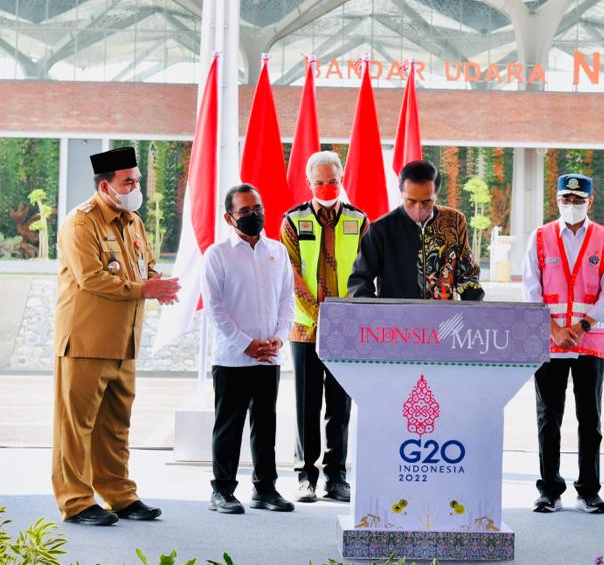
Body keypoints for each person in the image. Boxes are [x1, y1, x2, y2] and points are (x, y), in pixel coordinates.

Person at [52, 146, 181, 525]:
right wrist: (145, 290)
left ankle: (119, 495)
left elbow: (146, 267)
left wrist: (158, 283)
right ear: (106, 186)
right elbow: (91, 278)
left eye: (137, 180)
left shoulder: (133, 222)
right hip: (86, 341)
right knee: (75, 426)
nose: (136, 187)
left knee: (116, 424)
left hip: (124, 342)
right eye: (129, 181)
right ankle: (75, 501)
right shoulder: (81, 223)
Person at [522, 173, 604, 515]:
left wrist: (580, 326)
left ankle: (589, 490)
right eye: (566, 199)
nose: (572, 205)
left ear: (590, 202)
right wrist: (554, 329)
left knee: (589, 419)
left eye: (579, 200)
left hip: (589, 341)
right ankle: (549, 488)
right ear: (557, 200)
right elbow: (531, 291)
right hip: (550, 342)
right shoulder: (539, 238)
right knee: (549, 418)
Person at [202, 184, 294, 515]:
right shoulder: (218, 254)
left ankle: (265, 489)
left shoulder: (278, 251)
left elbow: (287, 301)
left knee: (265, 425)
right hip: (232, 358)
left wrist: (279, 339)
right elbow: (214, 308)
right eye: (245, 211)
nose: (254, 215)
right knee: (229, 426)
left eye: (257, 208)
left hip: (269, 355)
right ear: (230, 218)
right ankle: (222, 491)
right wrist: (246, 344)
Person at [281, 151, 367, 504]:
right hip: (305, 329)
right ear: (309, 182)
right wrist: (319, 315)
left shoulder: (359, 220)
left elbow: (365, 271)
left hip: (346, 330)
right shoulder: (294, 220)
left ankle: (337, 476)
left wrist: (345, 316)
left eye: (333, 181)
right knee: (307, 403)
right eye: (319, 182)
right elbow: (290, 273)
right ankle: (306, 476)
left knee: (340, 406)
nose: (327, 188)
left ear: (342, 178)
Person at [348, 159, 484, 301]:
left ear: (436, 194)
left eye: (426, 201)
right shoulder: (381, 229)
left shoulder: (454, 221)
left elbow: (467, 275)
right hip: (397, 319)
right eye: (411, 201)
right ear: (401, 193)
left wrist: (474, 310)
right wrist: (374, 312)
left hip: (443, 317)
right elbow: (360, 279)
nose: (418, 208)